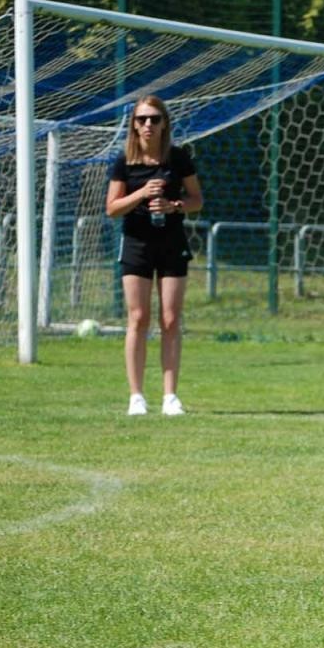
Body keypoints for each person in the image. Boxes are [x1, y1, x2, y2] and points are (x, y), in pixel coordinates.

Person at [105, 95, 203, 416]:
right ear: (134, 125)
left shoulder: (178, 158)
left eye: (154, 119)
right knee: (138, 317)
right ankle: (136, 396)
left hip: (172, 242)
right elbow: (112, 208)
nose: (148, 125)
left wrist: (173, 206)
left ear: (164, 124)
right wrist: (141, 194)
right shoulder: (124, 162)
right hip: (137, 243)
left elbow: (197, 200)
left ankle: (170, 396)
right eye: (142, 119)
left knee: (170, 318)